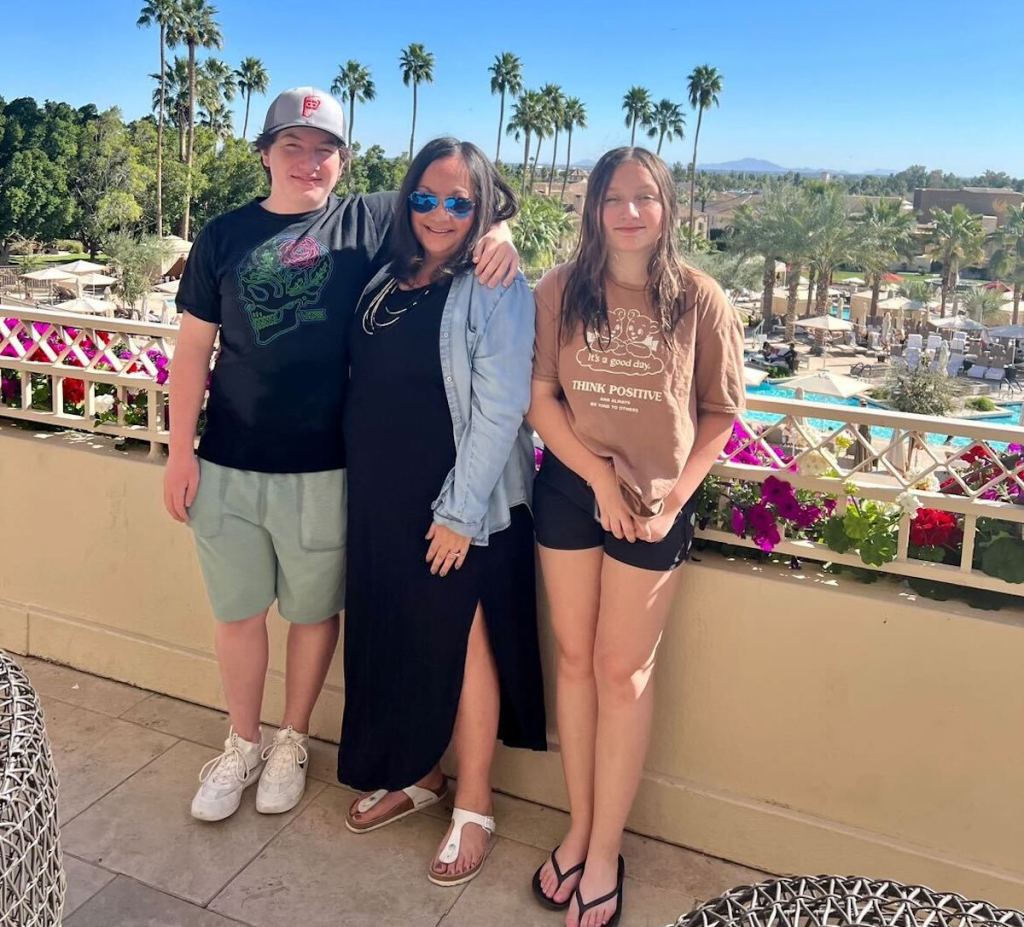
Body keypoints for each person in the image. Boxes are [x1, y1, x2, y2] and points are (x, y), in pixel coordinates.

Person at [163, 89, 517, 824]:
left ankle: (292, 741)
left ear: (344, 159)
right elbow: (193, 349)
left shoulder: (365, 220)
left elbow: (460, 196)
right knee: (236, 613)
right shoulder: (223, 237)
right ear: (264, 152)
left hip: (328, 467)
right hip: (227, 459)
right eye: (292, 145)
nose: (308, 160)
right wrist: (179, 452)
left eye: (324, 147)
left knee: (314, 612)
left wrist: (503, 231)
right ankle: (243, 741)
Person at [528, 147, 745, 927]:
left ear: (667, 208)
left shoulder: (699, 298)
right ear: (593, 208)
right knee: (578, 661)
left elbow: (720, 414)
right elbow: (541, 398)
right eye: (613, 197)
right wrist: (594, 478)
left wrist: (667, 502)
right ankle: (580, 827)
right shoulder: (560, 289)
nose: (628, 211)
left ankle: (605, 848)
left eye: (644, 197)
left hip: (656, 505)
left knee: (622, 673)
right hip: (570, 490)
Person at [338, 138, 546, 886]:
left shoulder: (494, 285)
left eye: (462, 202)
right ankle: (420, 775)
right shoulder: (390, 268)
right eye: (426, 196)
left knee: (464, 642)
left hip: (461, 497)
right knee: (403, 632)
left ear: (482, 207)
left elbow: (502, 409)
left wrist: (458, 511)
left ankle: (476, 803)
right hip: (381, 492)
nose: (440, 212)